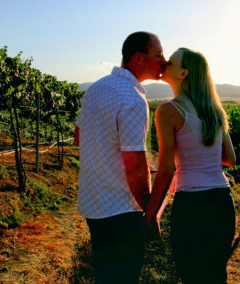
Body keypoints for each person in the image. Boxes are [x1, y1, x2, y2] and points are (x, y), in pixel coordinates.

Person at [74, 31, 166, 283]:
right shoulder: (134, 99)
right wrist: (150, 211)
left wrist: (111, 158)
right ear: (138, 57)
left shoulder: (96, 88)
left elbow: (79, 137)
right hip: (121, 211)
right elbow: (134, 167)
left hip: (94, 205)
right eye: (158, 55)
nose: (164, 61)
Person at [145, 48, 236, 284]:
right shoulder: (214, 111)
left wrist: (151, 213)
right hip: (222, 201)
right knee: (216, 275)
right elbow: (230, 158)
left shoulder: (169, 111)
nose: (165, 63)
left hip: (193, 207)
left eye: (171, 61)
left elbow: (167, 169)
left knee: (191, 276)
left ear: (183, 72)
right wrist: (202, 156)